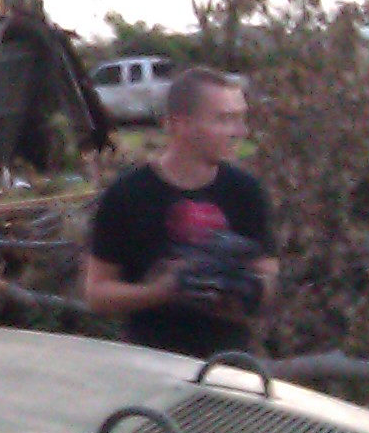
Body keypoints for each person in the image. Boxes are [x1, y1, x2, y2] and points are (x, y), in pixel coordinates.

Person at [83, 66, 279, 359]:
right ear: (181, 124)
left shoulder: (246, 191)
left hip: (227, 364)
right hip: (149, 362)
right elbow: (97, 295)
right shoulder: (127, 194)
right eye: (225, 119)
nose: (240, 132)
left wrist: (238, 291)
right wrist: (162, 291)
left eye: (241, 119)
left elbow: (269, 279)